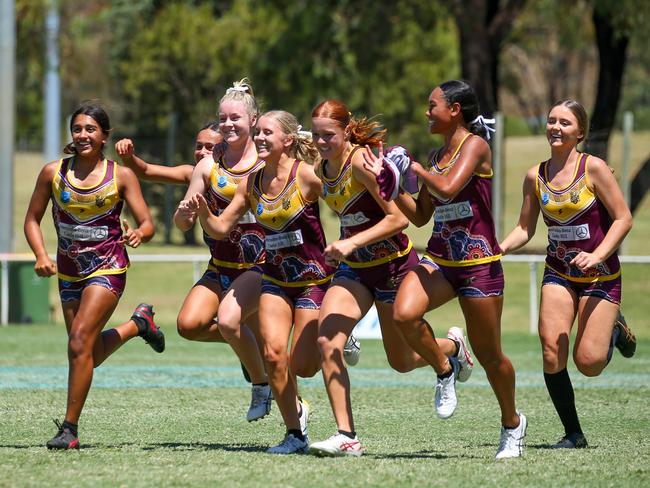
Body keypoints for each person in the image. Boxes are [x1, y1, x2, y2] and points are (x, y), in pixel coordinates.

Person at [365, 80, 526, 459]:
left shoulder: (476, 146)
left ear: (454, 110)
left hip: (478, 266)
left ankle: (512, 424)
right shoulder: (436, 156)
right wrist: (389, 190)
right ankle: (444, 367)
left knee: (491, 358)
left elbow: (450, 188)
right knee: (404, 314)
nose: (427, 112)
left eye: (432, 105)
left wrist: (412, 167)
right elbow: (421, 217)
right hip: (441, 261)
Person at [307, 100, 469, 457]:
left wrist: (350, 241)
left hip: (394, 267)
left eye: (327, 135)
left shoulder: (362, 164)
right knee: (326, 342)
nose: (320, 142)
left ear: (347, 130)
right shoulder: (322, 166)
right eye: (316, 134)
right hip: (354, 272)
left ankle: (452, 352)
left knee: (403, 361)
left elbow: (399, 220)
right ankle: (346, 435)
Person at [188, 110, 332, 454]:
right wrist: (203, 210)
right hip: (275, 278)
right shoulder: (251, 183)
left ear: (287, 140)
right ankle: (295, 434)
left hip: (313, 279)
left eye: (268, 133)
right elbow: (221, 228)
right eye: (260, 132)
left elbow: (344, 199)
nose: (262, 138)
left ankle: (338, 329)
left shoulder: (308, 176)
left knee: (304, 365)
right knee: (272, 353)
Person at [23, 103, 165, 450]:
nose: (83, 135)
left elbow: (148, 224)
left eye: (90, 129)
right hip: (69, 273)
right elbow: (31, 220)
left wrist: (139, 235)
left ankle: (69, 429)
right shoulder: (52, 173)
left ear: (104, 135)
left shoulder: (121, 176)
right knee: (84, 351)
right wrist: (41, 254)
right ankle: (137, 325)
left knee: (79, 343)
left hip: (108, 268)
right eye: (77, 129)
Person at [500, 99, 635, 449]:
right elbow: (524, 229)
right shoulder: (535, 176)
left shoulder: (595, 169)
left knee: (588, 363)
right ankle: (574, 434)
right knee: (550, 352)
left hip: (600, 277)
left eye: (565, 123)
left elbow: (624, 219)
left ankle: (614, 329)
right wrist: (497, 249)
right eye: (551, 121)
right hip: (558, 274)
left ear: (581, 133)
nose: (555, 128)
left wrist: (598, 254)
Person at [116, 120, 269, 420]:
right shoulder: (196, 172)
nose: (201, 152)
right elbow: (146, 171)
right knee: (188, 325)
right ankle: (245, 342)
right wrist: (128, 159)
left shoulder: (254, 172)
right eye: (198, 146)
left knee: (278, 359)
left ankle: (291, 409)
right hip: (220, 268)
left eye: (209, 147)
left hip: (257, 271)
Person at [172, 79, 272, 422]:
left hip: (262, 266)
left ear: (254, 120)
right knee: (188, 325)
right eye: (223, 118)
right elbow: (183, 222)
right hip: (221, 266)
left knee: (241, 329)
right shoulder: (207, 166)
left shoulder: (267, 162)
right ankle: (254, 354)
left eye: (236, 118)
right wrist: (185, 214)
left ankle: (261, 382)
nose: (228, 124)